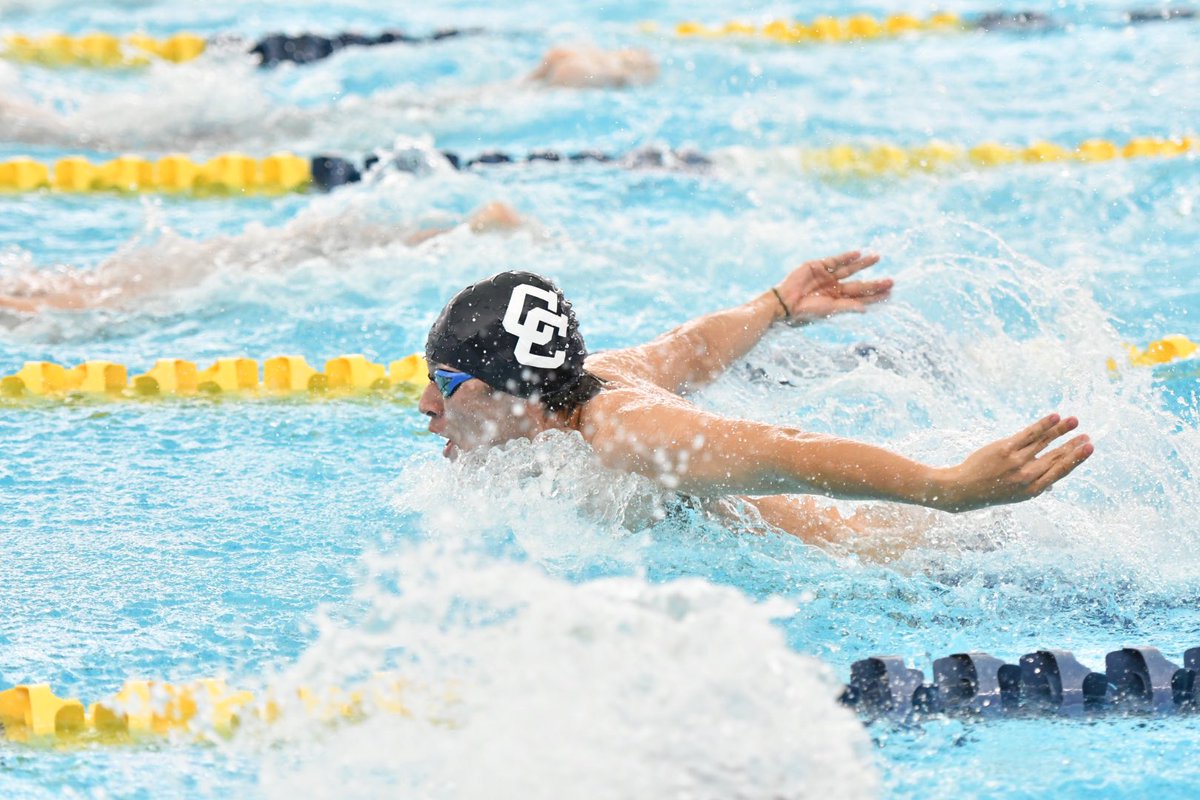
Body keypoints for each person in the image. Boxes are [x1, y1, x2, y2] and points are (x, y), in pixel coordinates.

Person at [418, 255, 1094, 543]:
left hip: (885, 556)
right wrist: (774, 305)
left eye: (444, 383)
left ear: (511, 391)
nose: (425, 404)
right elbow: (692, 347)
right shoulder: (588, 378)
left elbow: (788, 452)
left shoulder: (626, 434)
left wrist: (949, 487)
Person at [0, 201, 521, 314]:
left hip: (153, 285)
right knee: (294, 252)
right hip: (160, 271)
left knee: (289, 259)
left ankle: (461, 230)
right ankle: (460, 229)